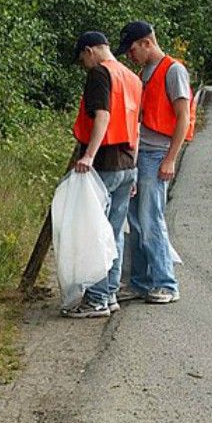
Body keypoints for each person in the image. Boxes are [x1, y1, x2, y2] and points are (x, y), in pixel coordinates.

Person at [63, 31, 143, 319]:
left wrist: (88, 156)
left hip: (106, 164)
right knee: (114, 233)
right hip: (127, 164)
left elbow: (103, 116)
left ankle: (96, 299)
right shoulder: (131, 77)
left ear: (89, 51)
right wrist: (133, 167)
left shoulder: (100, 73)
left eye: (82, 58)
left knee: (95, 232)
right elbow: (135, 124)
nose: (83, 64)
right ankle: (109, 294)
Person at [117, 20, 193, 304]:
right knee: (136, 221)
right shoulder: (146, 71)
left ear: (147, 43)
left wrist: (170, 159)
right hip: (142, 153)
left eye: (132, 49)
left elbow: (183, 116)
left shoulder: (173, 71)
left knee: (151, 221)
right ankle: (139, 282)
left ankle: (166, 283)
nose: (129, 55)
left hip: (157, 154)